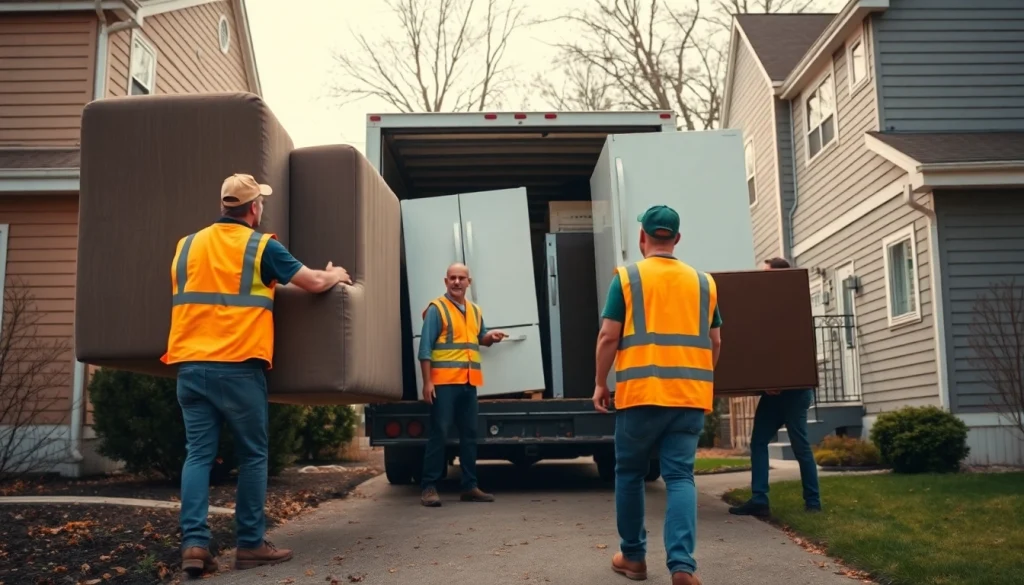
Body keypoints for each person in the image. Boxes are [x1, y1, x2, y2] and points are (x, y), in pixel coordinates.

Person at [161, 173, 353, 576]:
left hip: (190, 368)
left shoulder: (187, 245)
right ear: (253, 209)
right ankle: (250, 544)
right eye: (260, 203)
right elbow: (315, 283)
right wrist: (335, 274)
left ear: (223, 205)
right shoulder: (262, 246)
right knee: (252, 456)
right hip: (237, 367)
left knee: (197, 456)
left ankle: (194, 545)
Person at [592, 205, 722, 585]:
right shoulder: (704, 283)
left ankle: (633, 558)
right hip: (689, 397)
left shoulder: (628, 278)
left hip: (641, 395)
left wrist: (601, 382)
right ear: (677, 239)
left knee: (630, 474)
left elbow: (608, 336)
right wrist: (698, 379)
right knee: (680, 477)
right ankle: (682, 566)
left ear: (642, 238)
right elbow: (716, 342)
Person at [728, 257, 821, 518]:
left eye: (766, 274)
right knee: (758, 441)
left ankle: (813, 503)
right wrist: (765, 382)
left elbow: (797, 349)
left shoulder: (794, 308)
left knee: (800, 445)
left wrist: (783, 380)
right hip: (772, 393)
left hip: (795, 393)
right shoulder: (764, 309)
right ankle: (759, 499)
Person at [418, 263, 507, 507]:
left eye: (461, 278)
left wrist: (491, 337)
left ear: (469, 282)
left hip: (469, 383)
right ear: (445, 281)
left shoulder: (475, 311)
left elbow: (480, 338)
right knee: (440, 433)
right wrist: (427, 383)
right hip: (444, 384)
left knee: (469, 434)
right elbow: (425, 349)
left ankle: (469, 486)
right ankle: (429, 487)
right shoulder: (437, 309)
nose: (457, 282)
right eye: (452, 278)